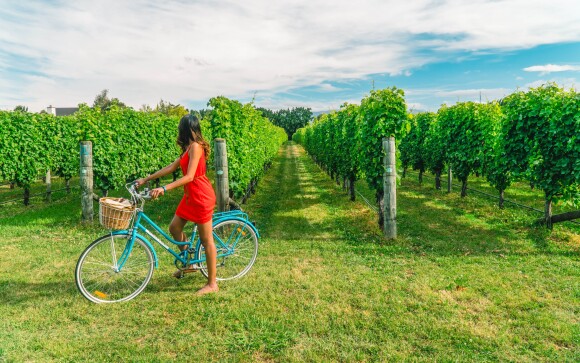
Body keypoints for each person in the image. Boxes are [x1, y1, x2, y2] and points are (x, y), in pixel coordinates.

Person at [135, 113, 218, 295]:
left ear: (186, 129)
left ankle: (212, 284)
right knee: (174, 227)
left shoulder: (196, 147)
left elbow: (189, 176)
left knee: (206, 240)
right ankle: (191, 263)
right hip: (190, 196)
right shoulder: (188, 148)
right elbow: (171, 168)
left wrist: (164, 189)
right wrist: (146, 179)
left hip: (201, 196)